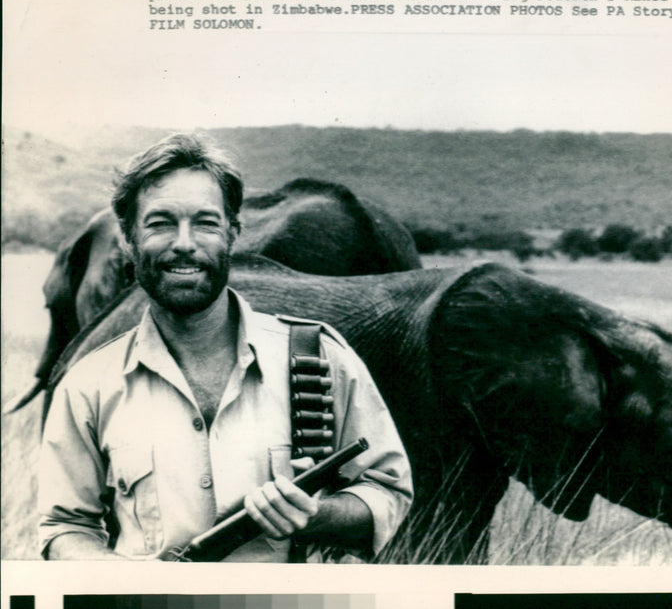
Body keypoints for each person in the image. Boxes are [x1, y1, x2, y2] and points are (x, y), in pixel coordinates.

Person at [38, 133, 413, 561]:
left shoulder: (320, 355)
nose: (184, 242)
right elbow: (64, 527)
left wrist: (316, 514)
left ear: (233, 233)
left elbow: (387, 494)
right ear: (128, 238)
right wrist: (121, 580)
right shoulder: (88, 382)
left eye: (205, 222)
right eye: (160, 223)